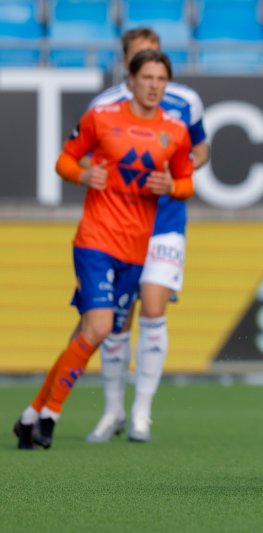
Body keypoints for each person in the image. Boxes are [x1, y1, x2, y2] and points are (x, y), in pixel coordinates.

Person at [13, 50, 194, 450]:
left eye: (160, 79)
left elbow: (186, 183)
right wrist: (82, 174)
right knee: (97, 327)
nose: (153, 85)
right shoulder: (102, 118)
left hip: (136, 250)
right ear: (130, 80)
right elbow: (64, 160)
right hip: (95, 239)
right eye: (146, 77)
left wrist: (172, 189)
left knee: (89, 332)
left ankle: (30, 416)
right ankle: (50, 417)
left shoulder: (176, 131)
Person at [83, 28, 209, 443]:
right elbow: (85, 157)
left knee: (154, 307)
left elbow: (200, 150)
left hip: (166, 223)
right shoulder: (104, 106)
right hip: (118, 226)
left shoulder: (183, 102)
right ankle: (112, 410)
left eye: (156, 60)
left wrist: (175, 175)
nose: (151, 73)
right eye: (142, 60)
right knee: (117, 320)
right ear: (127, 66)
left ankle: (142, 413)